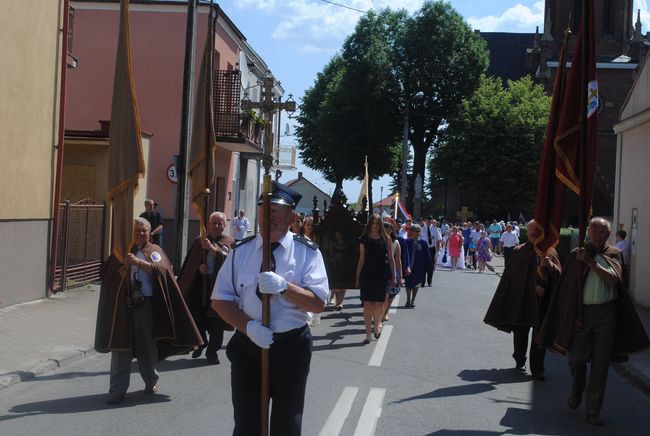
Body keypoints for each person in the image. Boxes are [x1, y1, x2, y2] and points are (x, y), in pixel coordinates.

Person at [211, 182, 328, 435]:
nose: (269, 216)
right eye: (265, 210)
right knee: (247, 424)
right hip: (248, 348)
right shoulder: (240, 253)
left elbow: (318, 302)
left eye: (277, 211)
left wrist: (286, 287)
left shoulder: (307, 254)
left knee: (287, 424)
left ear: (292, 217)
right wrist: (248, 326)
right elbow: (220, 299)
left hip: (291, 348)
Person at [537, 218, 650, 426]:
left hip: (606, 315)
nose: (599, 235)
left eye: (603, 232)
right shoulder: (576, 254)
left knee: (601, 364)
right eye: (595, 231)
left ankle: (593, 411)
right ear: (588, 231)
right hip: (582, 314)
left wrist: (590, 262)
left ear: (608, 234)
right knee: (576, 360)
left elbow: (613, 279)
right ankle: (577, 387)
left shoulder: (614, 253)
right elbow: (566, 286)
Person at [95, 218, 203, 405]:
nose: (140, 234)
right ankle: (117, 390)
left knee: (147, 346)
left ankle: (151, 380)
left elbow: (161, 272)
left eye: (143, 231)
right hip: (123, 307)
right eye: (136, 230)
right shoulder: (121, 251)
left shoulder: (154, 251)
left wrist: (138, 263)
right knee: (121, 348)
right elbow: (109, 277)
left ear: (149, 232)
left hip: (144, 306)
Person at [484, 220, 562, 380]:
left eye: (537, 230)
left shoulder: (550, 252)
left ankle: (537, 369)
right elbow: (511, 278)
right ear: (527, 231)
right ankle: (519, 359)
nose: (534, 233)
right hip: (523, 301)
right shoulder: (518, 251)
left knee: (539, 338)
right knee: (520, 333)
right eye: (532, 230)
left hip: (542, 303)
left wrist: (551, 266)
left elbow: (560, 275)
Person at [177, 211, 235, 364]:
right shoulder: (199, 241)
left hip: (219, 287)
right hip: (200, 286)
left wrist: (212, 249)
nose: (216, 226)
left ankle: (212, 352)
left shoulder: (229, 241)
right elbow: (190, 263)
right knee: (196, 317)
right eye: (213, 223)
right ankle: (201, 343)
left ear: (224, 226)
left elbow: (230, 260)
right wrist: (198, 268)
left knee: (216, 321)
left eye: (219, 223)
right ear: (208, 225)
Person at [356, 213, 396, 344]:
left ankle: (377, 325)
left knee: (379, 304)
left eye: (377, 223)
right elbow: (361, 259)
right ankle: (368, 333)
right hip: (367, 273)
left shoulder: (386, 239)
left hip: (382, 274)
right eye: (373, 223)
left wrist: (394, 276)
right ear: (369, 224)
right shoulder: (364, 239)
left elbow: (391, 258)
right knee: (367, 304)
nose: (375, 226)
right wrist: (358, 276)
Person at [402, 224, 433, 308]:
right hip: (409, 266)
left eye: (419, 231)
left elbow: (427, 255)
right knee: (408, 283)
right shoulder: (407, 241)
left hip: (419, 266)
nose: (418, 232)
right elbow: (403, 254)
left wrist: (429, 267)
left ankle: (413, 300)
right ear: (411, 232)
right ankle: (408, 299)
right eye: (416, 231)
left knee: (416, 283)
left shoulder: (423, 242)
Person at [383, 220, 405, 322]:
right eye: (384, 229)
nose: (386, 231)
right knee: (383, 294)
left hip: (392, 269)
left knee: (391, 293)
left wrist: (400, 276)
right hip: (381, 268)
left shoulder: (395, 242)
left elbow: (398, 259)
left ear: (392, 230)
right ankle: (380, 313)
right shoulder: (379, 240)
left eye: (388, 229)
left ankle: (386, 312)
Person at [421, 216, 441, 284]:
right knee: (423, 264)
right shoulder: (422, 228)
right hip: (424, 248)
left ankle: (429, 281)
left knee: (431, 265)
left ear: (431, 221)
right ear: (425, 221)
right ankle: (422, 281)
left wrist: (438, 250)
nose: (428, 222)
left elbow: (438, 240)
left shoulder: (435, 229)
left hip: (432, 248)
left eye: (430, 221)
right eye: (427, 221)